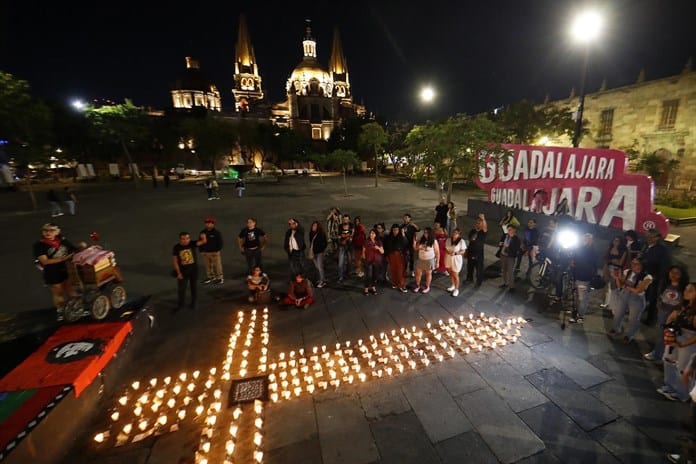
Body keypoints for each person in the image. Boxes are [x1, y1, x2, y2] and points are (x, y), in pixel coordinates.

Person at [33, 223, 82, 321]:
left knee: (71, 290)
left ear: (57, 232)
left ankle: (77, 308)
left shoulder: (62, 240)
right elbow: (45, 261)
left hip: (67, 269)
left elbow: (73, 250)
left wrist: (80, 246)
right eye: (45, 230)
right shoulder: (39, 245)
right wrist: (64, 259)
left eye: (51, 230)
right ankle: (61, 311)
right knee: (58, 293)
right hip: (52, 272)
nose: (48, 233)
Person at [657, 282, 696, 402]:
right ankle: (669, 386)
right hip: (676, 335)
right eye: (685, 289)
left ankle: (682, 394)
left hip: (688, 340)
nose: (685, 292)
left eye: (690, 290)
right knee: (668, 359)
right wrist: (668, 328)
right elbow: (672, 316)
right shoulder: (683, 305)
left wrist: (682, 344)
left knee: (682, 367)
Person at [644, 266, 689, 362]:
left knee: (671, 335)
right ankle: (657, 353)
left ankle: (664, 355)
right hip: (662, 312)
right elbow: (660, 295)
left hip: (674, 314)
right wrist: (659, 305)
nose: (673, 275)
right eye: (672, 272)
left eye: (677, 273)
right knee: (661, 333)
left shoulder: (683, 287)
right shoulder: (664, 284)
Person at [610, 258, 653, 343]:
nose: (633, 265)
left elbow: (638, 290)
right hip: (624, 295)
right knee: (618, 313)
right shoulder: (627, 272)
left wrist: (625, 286)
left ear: (642, 265)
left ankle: (629, 335)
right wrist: (617, 278)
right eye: (632, 263)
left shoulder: (647, 277)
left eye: (636, 263)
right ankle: (616, 328)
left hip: (637, 299)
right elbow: (620, 286)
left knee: (633, 319)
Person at [642, 228, 672, 325]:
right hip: (646, 276)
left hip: (655, 279)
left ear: (657, 238)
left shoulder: (661, 250)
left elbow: (664, 266)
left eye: (651, 237)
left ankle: (651, 319)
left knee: (653, 298)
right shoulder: (647, 246)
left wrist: (658, 278)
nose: (648, 238)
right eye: (647, 236)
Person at [172, 231, 207, 311]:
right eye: (183, 239)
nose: (186, 240)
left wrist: (203, 236)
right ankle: (181, 304)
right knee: (181, 289)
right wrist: (178, 273)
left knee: (193, 288)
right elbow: (175, 261)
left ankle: (194, 303)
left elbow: (203, 242)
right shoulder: (176, 247)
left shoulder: (192, 243)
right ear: (180, 240)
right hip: (183, 272)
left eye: (187, 238)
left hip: (194, 271)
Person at [569, 233, 598, 324]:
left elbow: (592, 265)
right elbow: (574, 261)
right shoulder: (579, 249)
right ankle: (576, 312)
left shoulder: (591, 251)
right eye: (584, 239)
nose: (585, 241)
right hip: (576, 275)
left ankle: (580, 315)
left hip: (585, 277)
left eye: (587, 239)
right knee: (577, 296)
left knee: (582, 298)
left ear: (591, 241)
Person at [600, 235, 628, 312]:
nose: (615, 242)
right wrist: (610, 262)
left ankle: (613, 306)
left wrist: (615, 262)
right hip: (607, 268)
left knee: (614, 288)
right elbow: (605, 258)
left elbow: (621, 263)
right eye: (614, 240)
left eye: (617, 241)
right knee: (606, 286)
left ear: (620, 242)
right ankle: (606, 303)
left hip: (616, 269)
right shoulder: (609, 248)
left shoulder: (623, 250)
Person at [412, 227, 439, 294]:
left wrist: (437, 262)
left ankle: (427, 286)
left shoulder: (434, 241)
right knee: (418, 273)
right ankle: (417, 285)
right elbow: (415, 248)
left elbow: (437, 252)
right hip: (421, 259)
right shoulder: (421, 240)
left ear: (430, 233)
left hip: (429, 260)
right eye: (424, 232)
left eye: (427, 233)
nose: (425, 234)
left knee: (428, 273)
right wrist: (414, 242)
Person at [383, 224, 408, 293]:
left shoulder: (401, 237)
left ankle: (401, 285)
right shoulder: (389, 237)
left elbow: (406, 243)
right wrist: (386, 255)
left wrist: (403, 235)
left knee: (400, 270)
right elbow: (386, 247)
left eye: (396, 230)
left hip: (399, 255)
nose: (395, 231)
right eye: (394, 230)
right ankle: (394, 283)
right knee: (393, 270)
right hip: (391, 255)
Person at [199, 217, 224, 284]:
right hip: (205, 252)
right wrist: (201, 251)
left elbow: (220, 243)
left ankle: (220, 278)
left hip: (214, 252)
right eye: (206, 223)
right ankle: (210, 277)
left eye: (209, 223)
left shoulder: (216, 233)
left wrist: (217, 250)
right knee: (208, 266)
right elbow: (200, 241)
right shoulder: (202, 232)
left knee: (217, 265)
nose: (207, 224)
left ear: (213, 224)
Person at [465, 213, 488, 288]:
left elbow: (485, 227)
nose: (478, 224)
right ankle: (469, 278)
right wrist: (466, 251)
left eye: (480, 223)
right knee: (470, 267)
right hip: (471, 251)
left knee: (479, 268)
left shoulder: (483, 232)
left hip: (479, 254)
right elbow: (470, 240)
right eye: (477, 222)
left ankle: (478, 281)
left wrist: (483, 219)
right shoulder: (472, 231)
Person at [444, 228, 467, 297]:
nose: (454, 234)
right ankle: (453, 285)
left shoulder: (461, 241)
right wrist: (448, 252)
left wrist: (456, 253)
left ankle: (456, 289)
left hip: (456, 259)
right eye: (454, 232)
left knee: (455, 274)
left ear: (459, 235)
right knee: (450, 272)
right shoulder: (448, 240)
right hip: (448, 258)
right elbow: (445, 248)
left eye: (456, 233)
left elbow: (463, 251)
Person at [498, 224, 521, 292]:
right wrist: (501, 244)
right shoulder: (505, 236)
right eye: (508, 230)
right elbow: (501, 241)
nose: (508, 231)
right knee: (504, 270)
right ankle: (505, 283)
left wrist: (508, 247)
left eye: (510, 230)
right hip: (503, 255)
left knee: (510, 271)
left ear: (514, 230)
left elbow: (516, 249)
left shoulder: (516, 239)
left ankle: (511, 286)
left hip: (510, 257)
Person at [362, 229, 384, 295]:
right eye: (370, 233)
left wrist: (378, 248)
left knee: (375, 275)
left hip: (377, 261)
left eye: (373, 233)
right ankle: (366, 288)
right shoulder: (366, 241)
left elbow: (382, 252)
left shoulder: (379, 242)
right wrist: (364, 260)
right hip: (368, 261)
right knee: (369, 275)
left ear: (376, 235)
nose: (371, 235)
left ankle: (373, 287)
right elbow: (363, 251)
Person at [308, 221, 328, 287]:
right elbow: (311, 243)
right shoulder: (311, 234)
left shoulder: (321, 234)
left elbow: (325, 243)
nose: (313, 227)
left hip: (319, 253)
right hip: (314, 253)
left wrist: (321, 250)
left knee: (320, 267)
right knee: (316, 267)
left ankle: (322, 281)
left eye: (315, 226)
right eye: (313, 226)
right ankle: (320, 279)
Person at [337, 215, 353, 282]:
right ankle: (341, 276)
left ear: (349, 220)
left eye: (346, 219)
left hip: (349, 246)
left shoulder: (351, 225)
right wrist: (347, 236)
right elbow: (340, 235)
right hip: (342, 246)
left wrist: (345, 237)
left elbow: (352, 234)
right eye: (344, 219)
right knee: (341, 262)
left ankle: (348, 273)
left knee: (349, 261)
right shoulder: (340, 226)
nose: (345, 221)